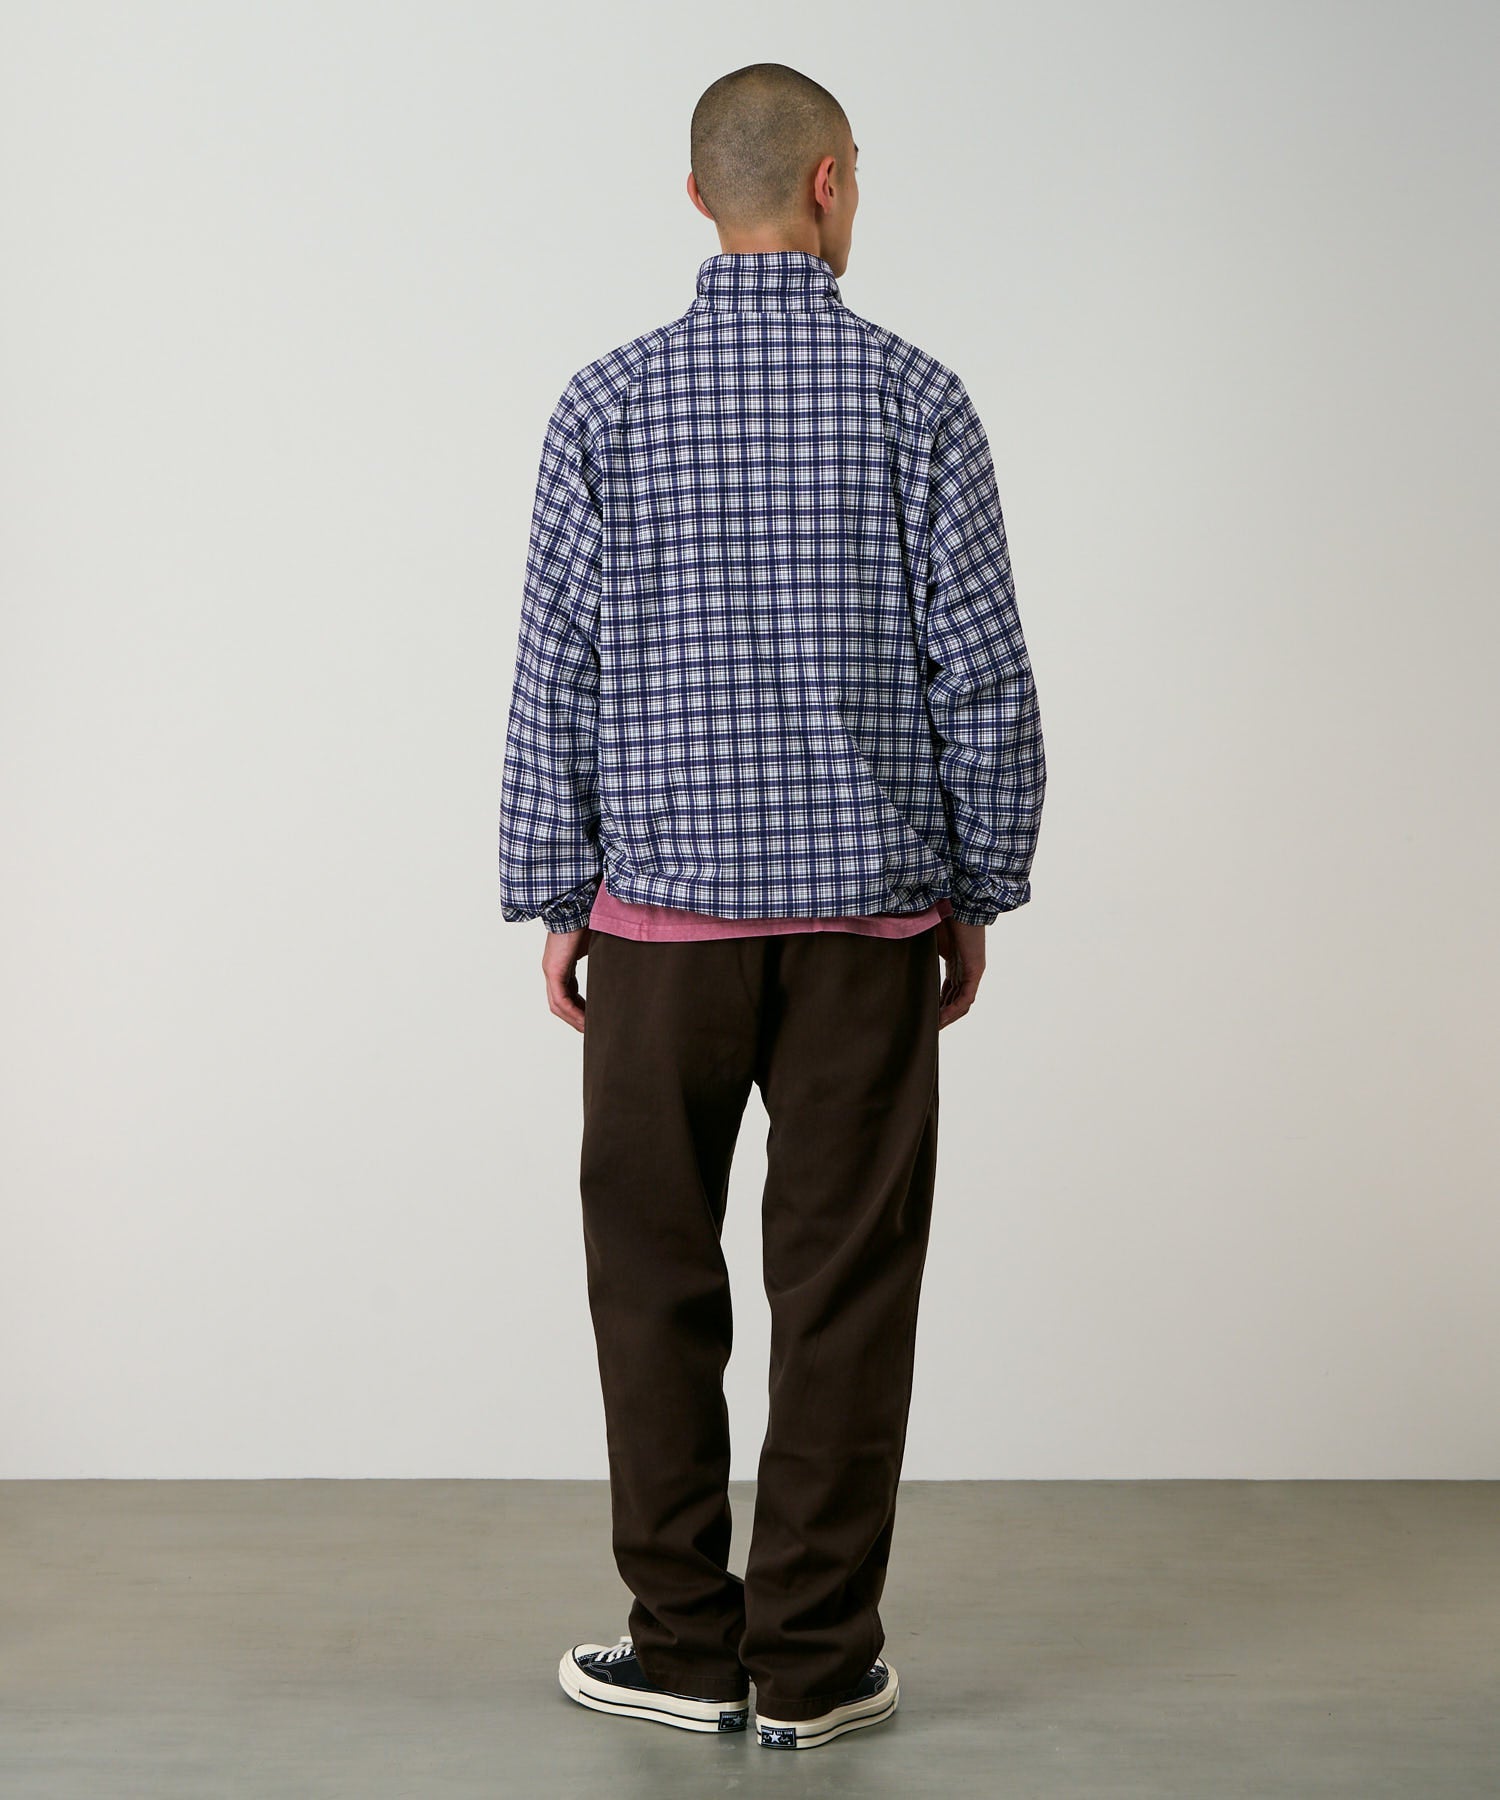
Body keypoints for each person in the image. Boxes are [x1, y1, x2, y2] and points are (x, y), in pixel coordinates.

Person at [497, 60, 1046, 1751]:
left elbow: (557, 677)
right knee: (845, 1298)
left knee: (651, 1286)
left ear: (697, 198)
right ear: (826, 185)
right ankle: (811, 1668)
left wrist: (558, 895)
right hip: (867, 937)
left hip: (659, 935)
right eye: (856, 173)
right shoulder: (918, 401)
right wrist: (978, 885)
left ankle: (683, 1646)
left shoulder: (604, 406)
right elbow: (983, 681)